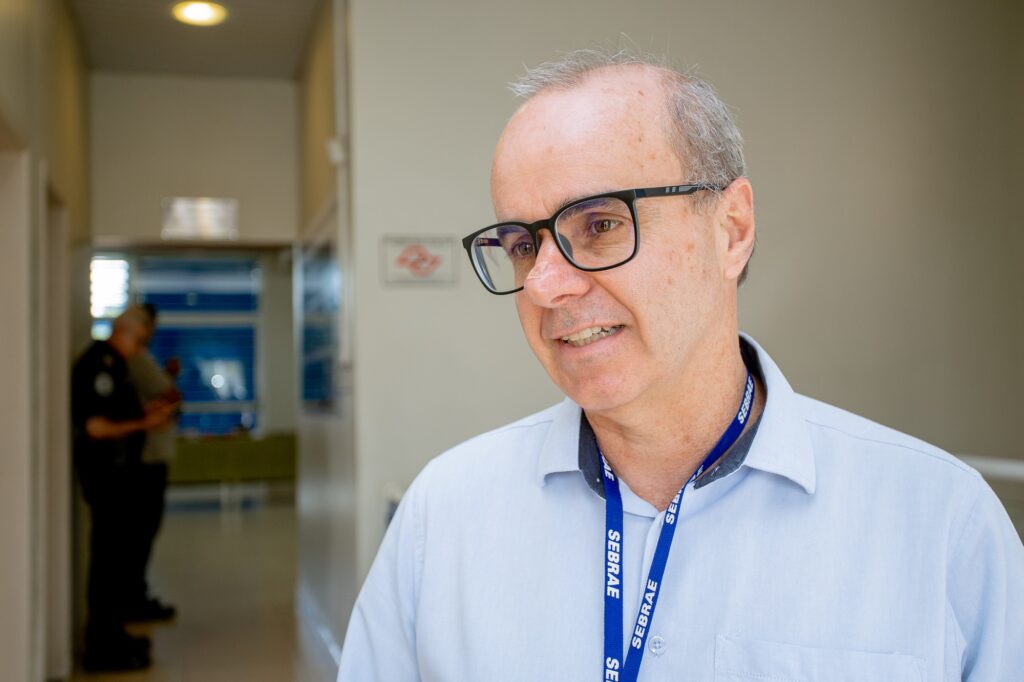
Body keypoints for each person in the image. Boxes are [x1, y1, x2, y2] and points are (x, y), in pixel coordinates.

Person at [337, 50, 1024, 681]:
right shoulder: (445, 514)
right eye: (521, 244)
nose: (545, 285)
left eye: (600, 224)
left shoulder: (941, 526)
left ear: (732, 231)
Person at [71, 308, 177, 672]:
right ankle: (102, 647)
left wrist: (148, 415)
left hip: (122, 482)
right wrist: (145, 422)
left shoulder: (118, 366)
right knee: (107, 566)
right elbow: (96, 426)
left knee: (116, 564)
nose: (142, 348)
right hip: (107, 482)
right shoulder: (99, 365)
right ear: (126, 331)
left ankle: (114, 636)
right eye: (141, 339)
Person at [125, 303, 180, 622]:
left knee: (144, 532)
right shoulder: (137, 359)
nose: (149, 332)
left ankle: (136, 594)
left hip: (151, 457)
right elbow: (168, 395)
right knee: (141, 532)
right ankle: (134, 598)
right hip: (147, 460)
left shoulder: (141, 358)